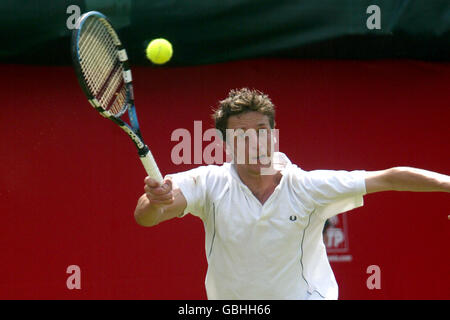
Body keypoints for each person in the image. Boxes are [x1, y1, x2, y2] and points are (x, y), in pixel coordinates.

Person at [134, 88, 449, 300]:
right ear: (227, 144)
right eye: (242, 136)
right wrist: (155, 200)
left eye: (261, 131)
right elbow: (150, 215)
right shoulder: (208, 183)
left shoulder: (307, 187)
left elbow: (390, 178)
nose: (255, 143)